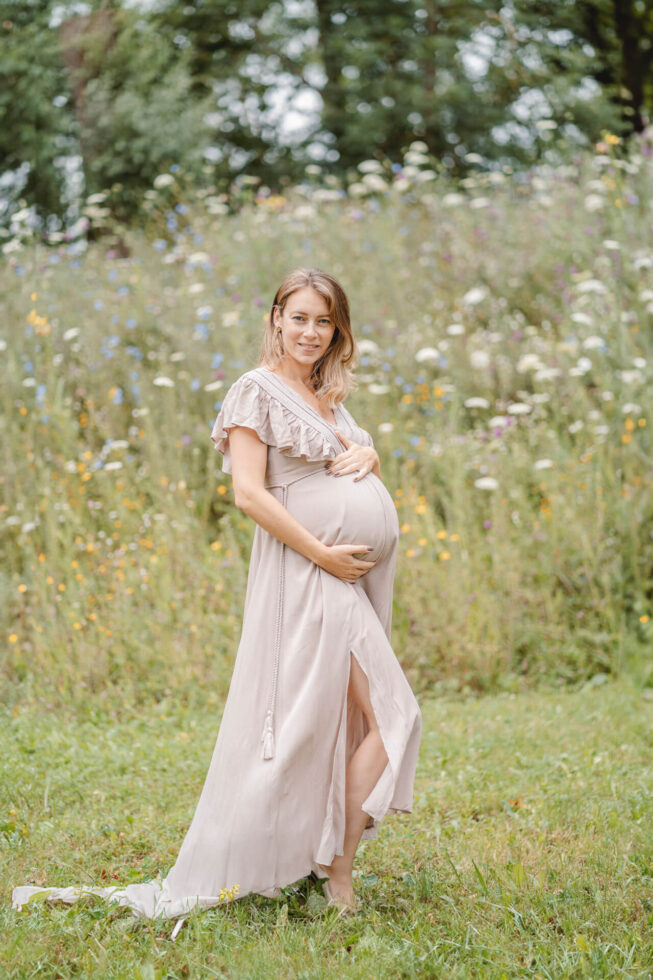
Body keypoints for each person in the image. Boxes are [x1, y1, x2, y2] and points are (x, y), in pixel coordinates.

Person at [12, 267, 422, 935]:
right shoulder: (253, 391)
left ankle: (325, 860)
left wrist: (368, 456)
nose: (310, 332)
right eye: (299, 318)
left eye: (324, 321)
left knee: (367, 720)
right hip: (314, 581)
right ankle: (336, 874)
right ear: (274, 319)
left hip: (344, 582)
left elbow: (341, 460)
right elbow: (249, 495)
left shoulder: (327, 398)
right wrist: (321, 552)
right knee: (394, 714)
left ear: (337, 330)